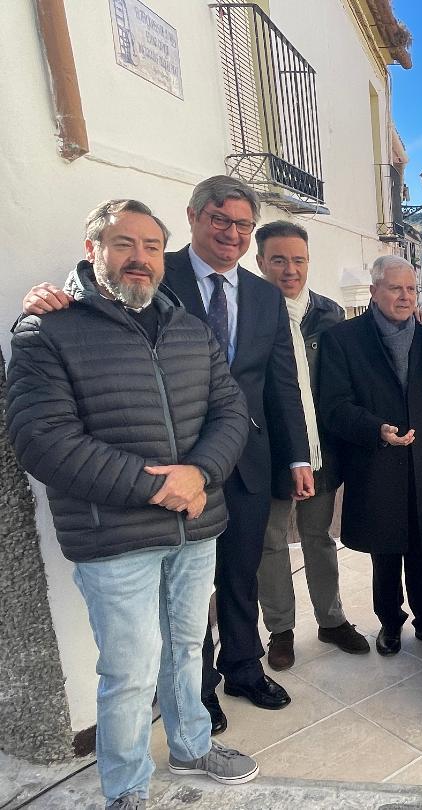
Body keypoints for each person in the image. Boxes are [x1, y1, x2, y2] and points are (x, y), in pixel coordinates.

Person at [21, 176, 312, 735]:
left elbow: (280, 384)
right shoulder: (155, 270)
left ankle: (243, 667)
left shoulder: (265, 295)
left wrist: (296, 455)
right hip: (168, 463)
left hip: (241, 458)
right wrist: (46, 297)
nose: (232, 233)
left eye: (243, 225)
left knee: (239, 574)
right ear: (195, 218)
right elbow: (93, 295)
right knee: (185, 595)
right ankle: (196, 692)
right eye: (220, 220)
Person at [7, 199, 256, 809]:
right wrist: (157, 486)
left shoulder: (188, 329)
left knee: (187, 646)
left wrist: (199, 472)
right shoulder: (49, 331)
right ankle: (126, 788)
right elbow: (43, 440)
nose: (139, 258)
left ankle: (193, 746)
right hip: (114, 535)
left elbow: (231, 411)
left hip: (195, 525)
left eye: (150, 246)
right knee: (129, 672)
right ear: (94, 250)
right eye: (124, 244)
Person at [319, 255, 422, 658]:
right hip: (375, 461)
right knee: (385, 551)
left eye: (411, 288)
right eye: (395, 288)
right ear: (374, 290)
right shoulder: (342, 339)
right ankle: (390, 624)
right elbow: (334, 404)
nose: (405, 296)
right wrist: (374, 428)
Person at [253, 221, 369, 670]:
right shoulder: (250, 315)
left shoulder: (330, 314)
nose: (289, 270)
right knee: (272, 543)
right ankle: (280, 631)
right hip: (270, 453)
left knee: (320, 537)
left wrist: (415, 314)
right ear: (260, 261)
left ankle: (331, 619)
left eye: (298, 260)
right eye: (278, 260)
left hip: (322, 451)